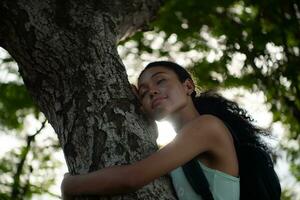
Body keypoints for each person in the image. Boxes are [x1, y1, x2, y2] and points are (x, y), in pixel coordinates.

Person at [61, 61, 277, 200]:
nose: (152, 91)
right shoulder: (180, 149)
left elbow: (132, 178)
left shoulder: (207, 127)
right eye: (143, 93)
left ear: (188, 87)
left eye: (160, 81)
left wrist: (70, 185)